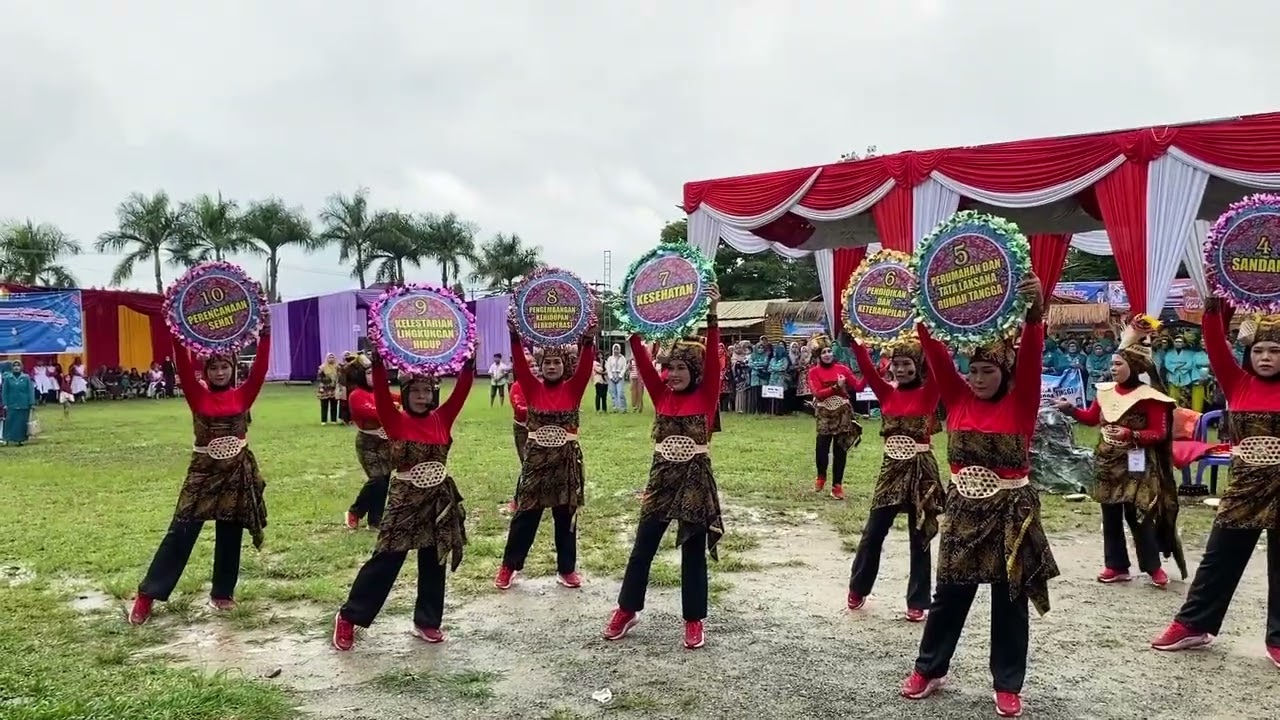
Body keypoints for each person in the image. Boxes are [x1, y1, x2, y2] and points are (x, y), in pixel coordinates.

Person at [901, 274, 1059, 719]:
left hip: (1012, 512)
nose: (977, 378)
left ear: (1005, 373)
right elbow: (932, 351)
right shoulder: (956, 398)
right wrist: (923, 302)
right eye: (972, 371)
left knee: (1009, 601)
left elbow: (1032, 356)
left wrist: (1034, 314)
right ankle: (929, 669)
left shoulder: (1021, 402)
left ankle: (1008, 683)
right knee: (950, 593)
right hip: (964, 512)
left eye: (987, 371)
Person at [1152, 301, 1280, 661]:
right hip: (1244, 488)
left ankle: (1278, 639)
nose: (1266, 357)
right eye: (1259, 351)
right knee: (1219, 556)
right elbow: (1214, 340)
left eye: (1275, 351)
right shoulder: (1237, 382)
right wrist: (1216, 301)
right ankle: (1194, 625)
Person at [603, 287, 722, 650]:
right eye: (669, 368)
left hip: (695, 482)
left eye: (680, 368)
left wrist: (713, 313)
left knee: (692, 552)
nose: (671, 374)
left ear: (695, 371)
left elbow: (715, 360)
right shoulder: (661, 394)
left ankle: (693, 619)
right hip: (661, 479)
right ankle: (627, 609)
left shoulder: (706, 395)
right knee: (643, 548)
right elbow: (639, 353)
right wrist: (630, 316)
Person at [129, 327, 272, 625]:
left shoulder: (244, 394)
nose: (220, 372)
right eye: (214, 367)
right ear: (205, 370)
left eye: (225, 366)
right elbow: (181, 361)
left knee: (230, 531)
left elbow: (261, 367)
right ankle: (147, 595)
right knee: (182, 530)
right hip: (203, 471)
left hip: (236, 470)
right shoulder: (197, 394)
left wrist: (266, 335)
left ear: (233, 369)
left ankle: (222, 593)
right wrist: (175, 334)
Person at [332, 353, 472, 650]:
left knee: (435, 561)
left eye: (427, 391)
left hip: (438, 498)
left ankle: (427, 621)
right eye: (415, 391)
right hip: (405, 499)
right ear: (405, 394)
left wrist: (470, 360)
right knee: (386, 559)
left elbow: (463, 389)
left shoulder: (443, 417)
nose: (422, 397)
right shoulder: (394, 418)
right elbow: (381, 392)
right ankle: (349, 616)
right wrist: (380, 360)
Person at [1059, 317, 1185, 588]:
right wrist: (1070, 409)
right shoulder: (1104, 392)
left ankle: (1153, 568)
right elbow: (1093, 419)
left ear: (1135, 366)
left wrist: (1132, 435)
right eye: (1113, 364)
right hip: (1107, 462)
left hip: (1138, 464)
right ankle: (1116, 565)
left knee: (1140, 515)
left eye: (1118, 364)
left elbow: (1159, 433)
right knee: (1110, 516)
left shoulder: (1152, 398)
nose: (1112, 368)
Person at [494, 318, 597, 590]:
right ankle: (509, 566)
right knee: (525, 517)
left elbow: (586, 365)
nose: (552, 366)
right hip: (536, 464)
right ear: (540, 367)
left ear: (564, 366)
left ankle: (567, 570)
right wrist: (514, 335)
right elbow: (517, 358)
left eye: (557, 363)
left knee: (566, 518)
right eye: (547, 363)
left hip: (566, 463)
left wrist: (587, 339)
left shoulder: (574, 389)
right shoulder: (530, 387)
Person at [848, 336, 942, 621]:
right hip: (891, 471)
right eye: (896, 364)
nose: (900, 370)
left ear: (919, 365)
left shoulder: (929, 392)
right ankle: (858, 586)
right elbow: (864, 362)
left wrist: (928, 325)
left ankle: (918, 600)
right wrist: (854, 333)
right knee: (873, 531)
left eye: (907, 364)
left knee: (920, 536)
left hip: (921, 471)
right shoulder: (886, 392)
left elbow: (939, 361)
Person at [806, 335, 862, 500]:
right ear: (818, 355)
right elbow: (818, 394)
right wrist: (836, 387)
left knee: (840, 450)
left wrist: (870, 373)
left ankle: (837, 485)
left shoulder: (843, 369)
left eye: (829, 351)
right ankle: (821, 475)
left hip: (843, 412)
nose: (828, 354)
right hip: (824, 413)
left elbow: (858, 387)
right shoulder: (814, 372)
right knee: (822, 446)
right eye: (824, 352)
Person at [344, 354, 396, 530]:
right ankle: (355, 511)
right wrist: (393, 409)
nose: (373, 376)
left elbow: (399, 399)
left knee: (385, 481)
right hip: (368, 443)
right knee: (377, 479)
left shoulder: (379, 393)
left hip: (385, 442)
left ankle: (376, 520)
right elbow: (373, 413)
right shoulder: (356, 395)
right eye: (368, 373)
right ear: (360, 376)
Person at [1, 361, 36, 446]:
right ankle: (8, 438)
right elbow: (5, 392)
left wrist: (31, 402)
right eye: (15, 366)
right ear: (12, 368)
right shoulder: (8, 378)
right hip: (11, 404)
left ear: (21, 367)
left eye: (18, 366)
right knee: (10, 421)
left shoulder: (26, 377)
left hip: (24, 403)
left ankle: (20, 439)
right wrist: (5, 403)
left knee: (22, 422)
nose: (16, 367)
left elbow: (30, 391)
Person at [317, 353, 340, 424]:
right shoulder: (322, 367)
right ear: (327, 358)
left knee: (334, 405)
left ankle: (333, 420)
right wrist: (321, 387)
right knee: (324, 404)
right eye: (330, 357)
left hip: (334, 388)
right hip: (325, 388)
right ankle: (324, 420)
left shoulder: (337, 367)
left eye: (332, 357)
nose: (331, 359)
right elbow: (319, 378)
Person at [606, 344, 628, 412]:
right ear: (612, 350)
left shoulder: (622, 358)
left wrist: (620, 376)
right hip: (612, 375)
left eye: (617, 349)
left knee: (620, 392)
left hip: (619, 376)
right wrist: (611, 377)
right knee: (613, 393)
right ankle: (615, 407)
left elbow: (624, 368)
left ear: (619, 350)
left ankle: (623, 408)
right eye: (615, 349)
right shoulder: (610, 358)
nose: (616, 350)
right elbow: (608, 368)